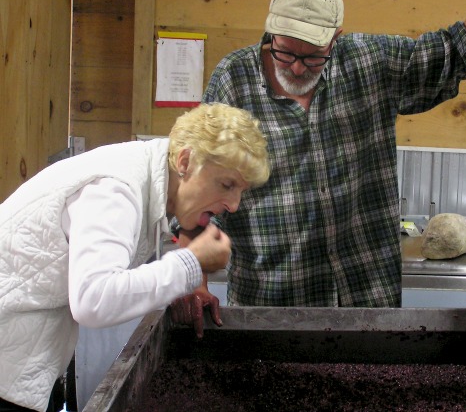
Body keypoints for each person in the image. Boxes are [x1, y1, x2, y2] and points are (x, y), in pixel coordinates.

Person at [172, 0, 466, 329]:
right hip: (271, 311)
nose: (296, 67)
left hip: (367, 309)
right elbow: (195, 195)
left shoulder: (369, 63)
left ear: (336, 38)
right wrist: (194, 280)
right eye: (285, 51)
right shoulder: (233, 81)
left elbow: (458, 50)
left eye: (313, 56)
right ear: (270, 31)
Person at [0, 103, 270, 412]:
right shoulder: (117, 189)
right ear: (185, 161)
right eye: (227, 184)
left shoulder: (144, 176)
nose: (233, 205)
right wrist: (189, 265)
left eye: (241, 191)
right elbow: (92, 300)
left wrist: (174, 284)